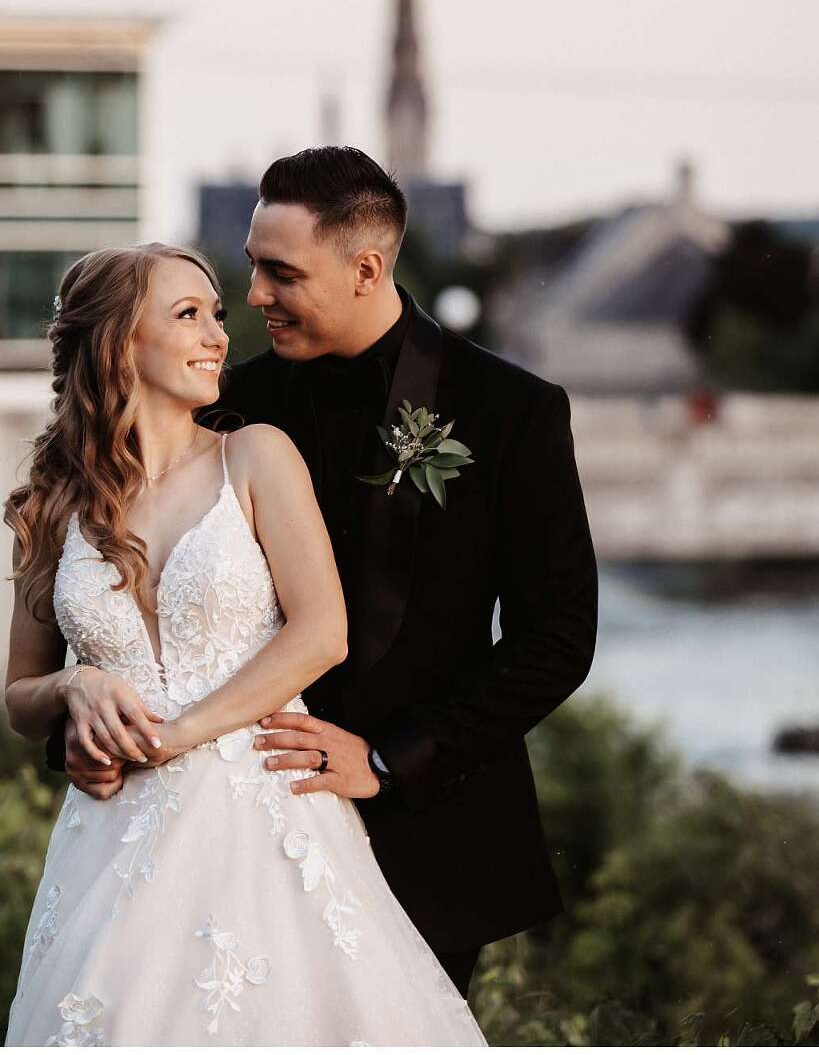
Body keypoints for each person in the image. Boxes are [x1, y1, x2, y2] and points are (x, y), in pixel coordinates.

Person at [52, 148, 599, 997]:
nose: (255, 296)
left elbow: (556, 639)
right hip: (230, 832)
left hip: (428, 832)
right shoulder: (224, 406)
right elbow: (127, 594)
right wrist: (83, 718)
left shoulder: (512, 411)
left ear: (366, 269)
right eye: (252, 268)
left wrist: (390, 759)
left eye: (282, 273)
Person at [2, 241, 485, 1045]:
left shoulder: (255, 456)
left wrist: (178, 735)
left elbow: (322, 633)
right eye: (188, 315)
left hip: (262, 815)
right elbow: (21, 695)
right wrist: (73, 687)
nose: (219, 335)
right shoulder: (54, 504)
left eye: (217, 315)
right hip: (109, 839)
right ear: (120, 342)